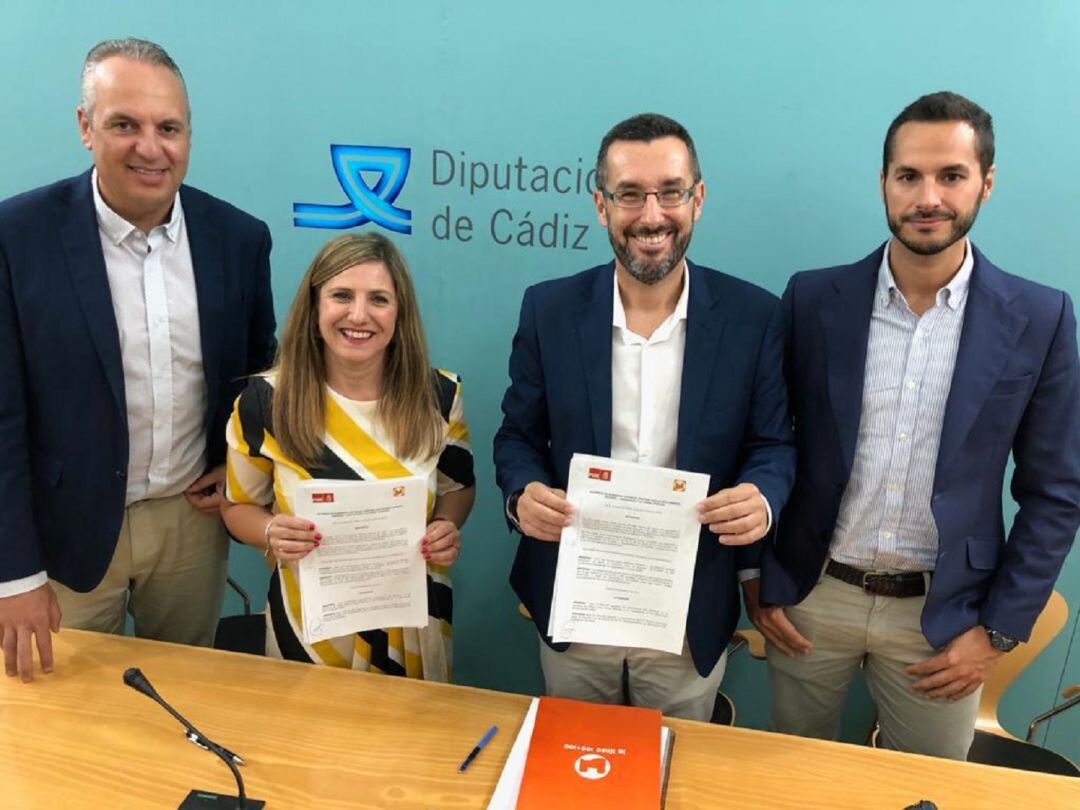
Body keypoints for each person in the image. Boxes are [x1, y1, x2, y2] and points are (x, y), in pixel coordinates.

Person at [753, 91, 1080, 759]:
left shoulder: (1040, 319)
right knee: (789, 781)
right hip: (814, 597)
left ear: (986, 183)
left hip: (945, 616)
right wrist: (756, 579)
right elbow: (765, 443)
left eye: (951, 176)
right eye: (909, 176)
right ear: (884, 183)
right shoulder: (813, 299)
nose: (928, 196)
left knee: (926, 793)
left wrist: (997, 632)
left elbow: (1056, 491)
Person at [493, 113, 795, 721]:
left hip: (687, 608)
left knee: (675, 768)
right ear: (601, 205)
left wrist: (761, 497)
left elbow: (774, 444)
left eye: (670, 192)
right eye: (630, 194)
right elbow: (517, 436)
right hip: (575, 604)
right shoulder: (549, 310)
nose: (651, 215)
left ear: (698, 200)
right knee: (578, 767)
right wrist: (521, 493)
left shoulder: (753, 316)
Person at [0, 38, 276, 682]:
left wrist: (232, 465)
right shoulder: (17, 238)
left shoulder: (239, 239)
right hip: (62, 535)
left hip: (188, 526)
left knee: (183, 704)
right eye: (125, 124)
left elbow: (255, 373)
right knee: (60, 717)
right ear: (85, 127)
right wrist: (14, 574)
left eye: (168, 128)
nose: (150, 147)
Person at [221, 233, 474, 679]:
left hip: (413, 624)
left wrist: (446, 527)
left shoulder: (440, 396)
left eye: (379, 299)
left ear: (400, 312)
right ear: (315, 305)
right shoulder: (266, 401)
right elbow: (236, 506)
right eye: (341, 295)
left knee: (415, 743)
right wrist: (269, 530)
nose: (359, 315)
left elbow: (459, 490)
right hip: (310, 630)